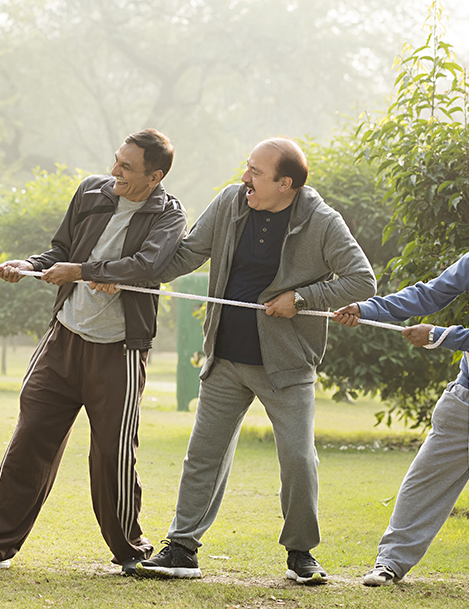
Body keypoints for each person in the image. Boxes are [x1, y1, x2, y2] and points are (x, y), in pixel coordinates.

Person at [132, 137, 375, 584]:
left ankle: (301, 553)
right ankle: (183, 547)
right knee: (203, 455)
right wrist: (125, 275)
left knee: (299, 459)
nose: (245, 178)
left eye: (256, 173)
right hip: (225, 355)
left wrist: (300, 298)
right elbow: (187, 254)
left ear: (286, 184)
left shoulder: (322, 221)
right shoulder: (230, 201)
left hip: (287, 364)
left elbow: (362, 279)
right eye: (247, 168)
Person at [0, 128, 187, 575]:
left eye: (127, 167)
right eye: (116, 160)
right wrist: (32, 265)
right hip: (63, 338)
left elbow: (148, 266)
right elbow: (60, 249)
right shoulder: (91, 192)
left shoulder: (168, 215)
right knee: (29, 440)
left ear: (155, 176)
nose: (114, 171)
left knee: (112, 455)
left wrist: (85, 269)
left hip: (119, 350)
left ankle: (129, 551)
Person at [333, 199, 469, 587]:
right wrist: (367, 308)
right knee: (425, 481)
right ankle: (390, 564)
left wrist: (440, 336)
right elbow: (428, 295)